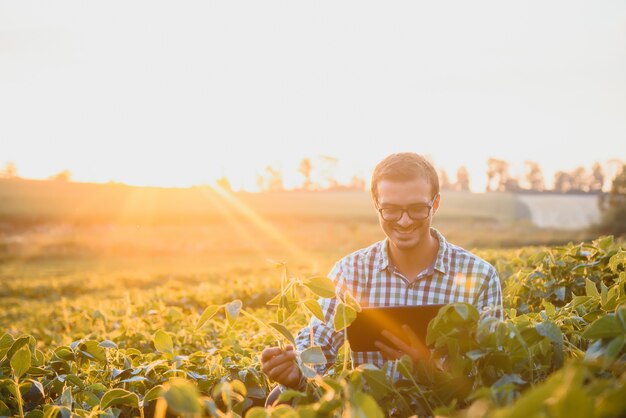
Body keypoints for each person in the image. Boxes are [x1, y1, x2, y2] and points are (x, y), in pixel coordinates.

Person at [260, 152, 503, 404]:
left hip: (446, 408)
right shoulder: (351, 271)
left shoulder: (479, 275)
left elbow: (491, 371)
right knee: (279, 400)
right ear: (376, 204)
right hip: (370, 409)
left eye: (418, 209)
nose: (404, 221)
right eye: (391, 210)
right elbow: (320, 339)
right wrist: (295, 368)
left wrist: (429, 367)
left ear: (436, 204)